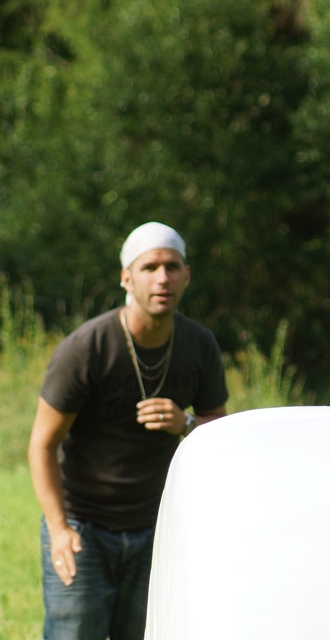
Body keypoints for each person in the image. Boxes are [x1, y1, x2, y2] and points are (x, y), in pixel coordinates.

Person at [28, 222, 229, 640]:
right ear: (126, 278)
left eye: (172, 267)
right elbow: (43, 444)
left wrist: (186, 423)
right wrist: (60, 530)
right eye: (149, 267)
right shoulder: (86, 349)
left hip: (157, 527)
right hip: (84, 527)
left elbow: (218, 432)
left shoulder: (199, 345)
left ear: (186, 276)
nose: (162, 278)